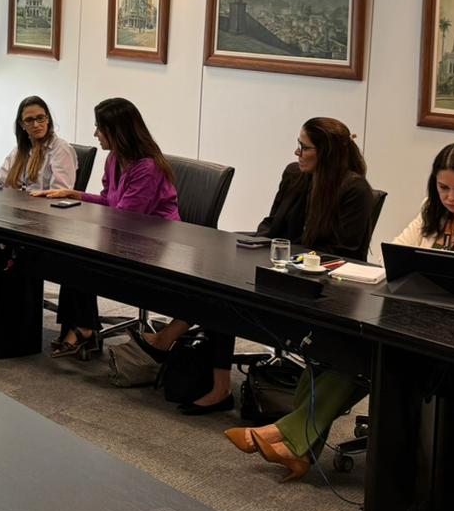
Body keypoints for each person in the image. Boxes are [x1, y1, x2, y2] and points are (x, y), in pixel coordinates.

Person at [224, 141, 454, 482]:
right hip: (415, 324)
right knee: (330, 352)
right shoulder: (432, 213)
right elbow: (393, 255)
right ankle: (299, 450)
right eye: (443, 188)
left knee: (362, 359)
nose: (451, 197)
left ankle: (287, 436)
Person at [137, 116, 375, 414]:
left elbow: (343, 254)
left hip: (319, 287)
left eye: (304, 148)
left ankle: (180, 352)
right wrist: (249, 247)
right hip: (279, 268)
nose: (297, 153)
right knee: (218, 277)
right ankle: (216, 383)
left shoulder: (354, 190)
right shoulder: (294, 174)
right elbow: (272, 224)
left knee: (222, 294)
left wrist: (287, 259)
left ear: (326, 152)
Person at [36, 98, 179, 358]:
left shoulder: (147, 167)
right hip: (124, 237)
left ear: (117, 131)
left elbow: (124, 217)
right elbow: (109, 202)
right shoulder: (114, 159)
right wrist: (75, 194)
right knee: (68, 253)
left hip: (152, 247)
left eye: (100, 128)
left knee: (78, 258)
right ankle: (82, 328)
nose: (95, 134)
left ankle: (84, 329)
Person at [0, 96, 77, 191]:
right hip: (15, 200)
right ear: (22, 124)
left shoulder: (61, 149)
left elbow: (59, 193)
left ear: (47, 119)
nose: (36, 125)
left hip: (40, 201)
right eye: (29, 120)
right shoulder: (19, 150)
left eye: (40, 118)